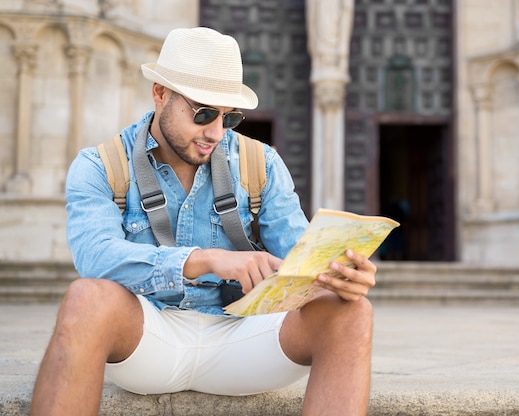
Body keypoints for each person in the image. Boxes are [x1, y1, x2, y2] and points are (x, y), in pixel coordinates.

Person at [30, 27, 376, 416]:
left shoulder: (261, 163)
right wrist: (206, 259)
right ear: (159, 93)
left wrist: (337, 276)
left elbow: (299, 259)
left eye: (229, 116)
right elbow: (95, 259)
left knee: (351, 312)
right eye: (203, 112)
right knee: (85, 298)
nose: (215, 131)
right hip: (147, 338)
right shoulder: (99, 166)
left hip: (245, 340)